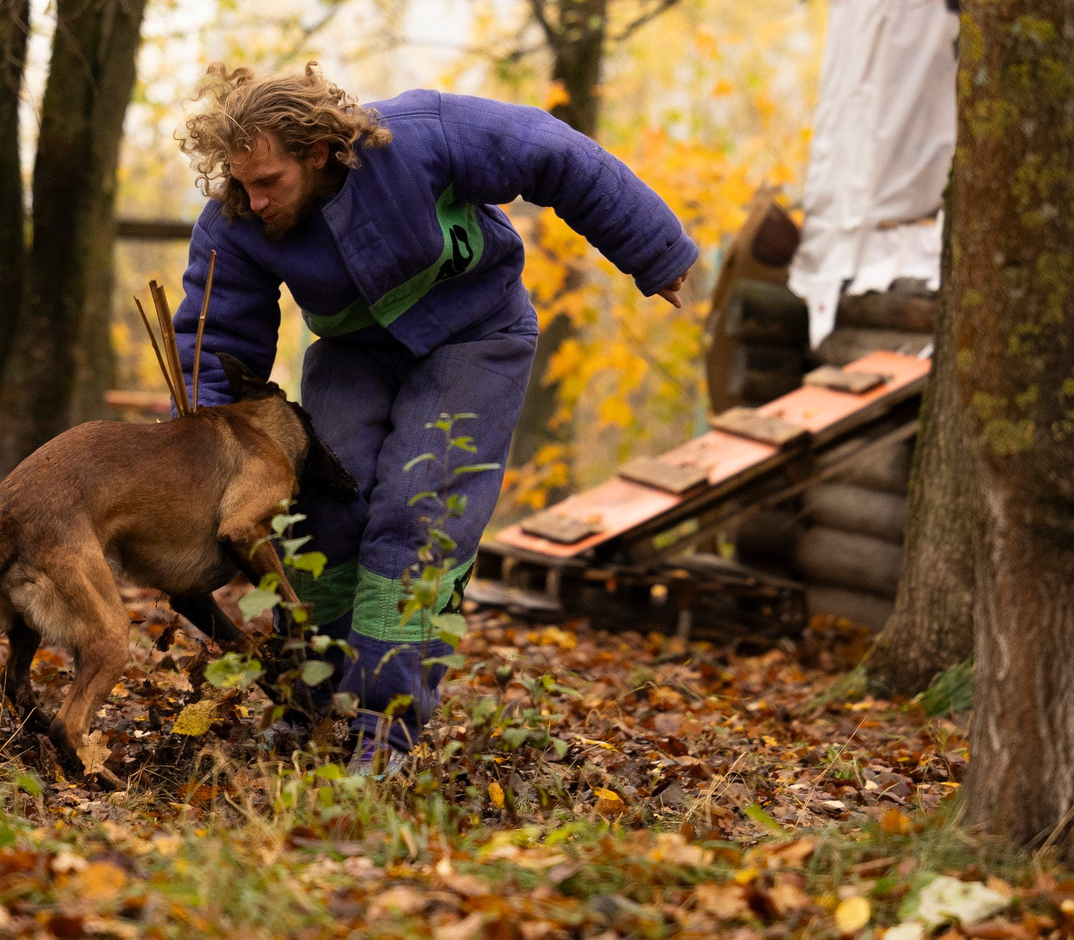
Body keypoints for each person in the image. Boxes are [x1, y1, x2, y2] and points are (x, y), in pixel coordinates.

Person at [171, 63, 696, 769]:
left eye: (269, 181)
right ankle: (314, 700)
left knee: (418, 513)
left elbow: (553, 151)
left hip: (477, 335)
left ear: (318, 153)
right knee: (321, 511)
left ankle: (384, 725)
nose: (254, 199)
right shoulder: (237, 219)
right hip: (354, 351)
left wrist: (653, 251)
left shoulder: (417, 138)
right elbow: (216, 340)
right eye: (241, 182)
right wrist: (202, 465)